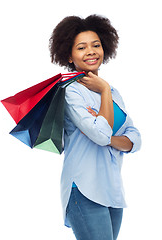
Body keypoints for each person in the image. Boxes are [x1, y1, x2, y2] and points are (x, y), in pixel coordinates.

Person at [49, 15, 141, 240]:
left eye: (96, 45)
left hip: (112, 192)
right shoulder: (71, 92)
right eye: (81, 47)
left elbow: (135, 139)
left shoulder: (114, 92)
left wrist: (107, 134)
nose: (91, 51)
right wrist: (105, 92)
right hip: (83, 189)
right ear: (69, 55)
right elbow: (101, 135)